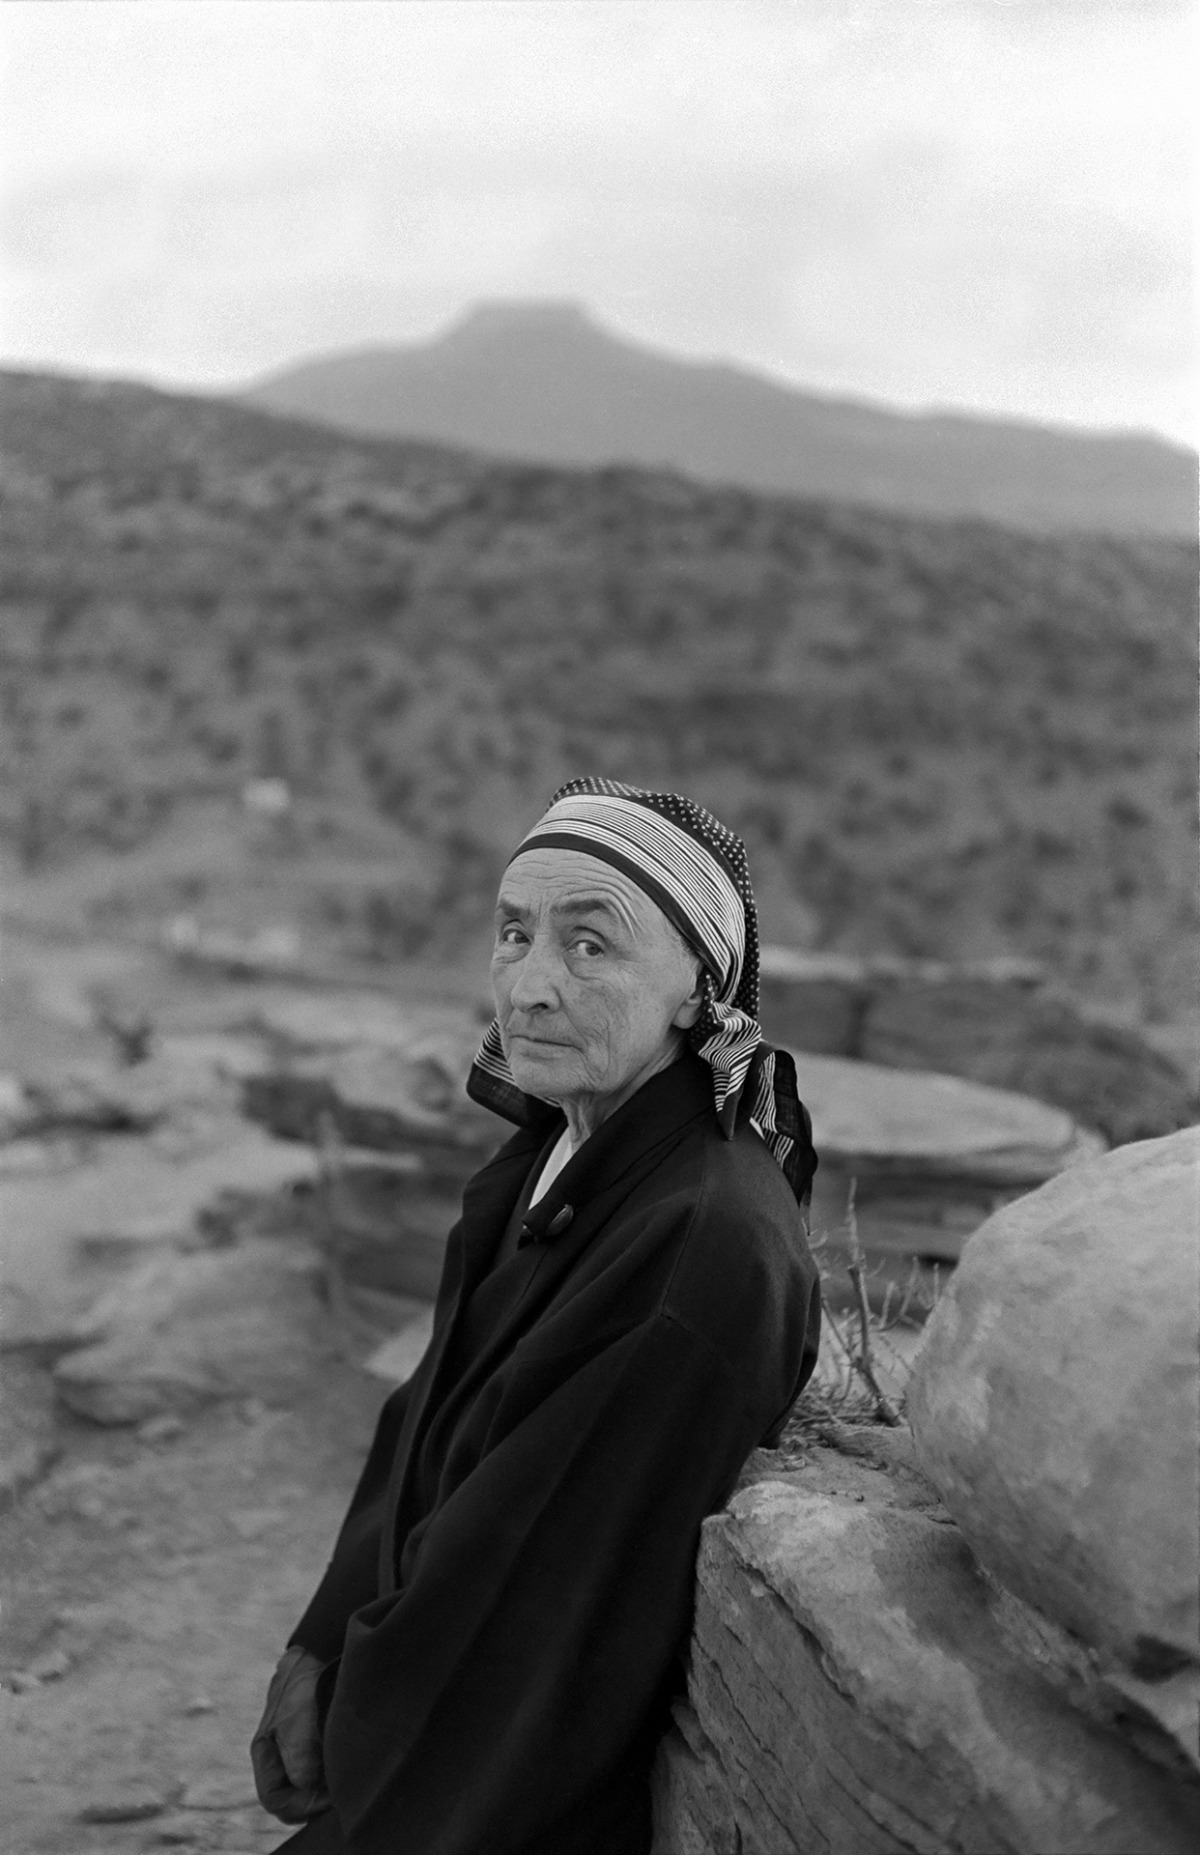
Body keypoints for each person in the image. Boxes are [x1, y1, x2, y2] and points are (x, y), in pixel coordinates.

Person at [251, 777, 820, 1855]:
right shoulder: (556, 1158)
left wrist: (359, 1702)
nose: (530, 986)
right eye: (514, 933)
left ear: (700, 991)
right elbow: (426, 1419)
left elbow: (531, 1589)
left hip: (483, 1794)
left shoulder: (698, 1251)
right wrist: (325, 1634)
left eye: (590, 946)